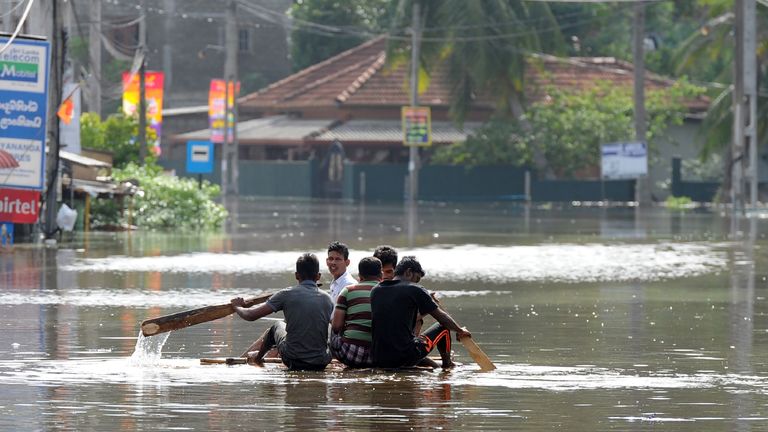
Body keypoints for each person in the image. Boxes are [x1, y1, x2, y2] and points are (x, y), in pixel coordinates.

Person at [230, 253, 333, 371]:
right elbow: (337, 328)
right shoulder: (328, 298)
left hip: (293, 359)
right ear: (318, 276)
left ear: (296, 275)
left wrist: (237, 307)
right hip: (321, 362)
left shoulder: (286, 294)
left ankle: (258, 358)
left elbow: (251, 315)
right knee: (331, 329)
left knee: (277, 325)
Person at [370, 256, 471, 369]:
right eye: (416, 279)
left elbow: (398, 319)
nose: (416, 283)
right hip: (404, 355)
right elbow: (442, 318)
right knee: (443, 327)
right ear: (408, 272)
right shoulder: (415, 289)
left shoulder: (376, 290)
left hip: (378, 358)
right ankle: (447, 364)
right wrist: (459, 330)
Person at [330, 256, 382, 368]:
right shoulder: (388, 292)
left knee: (332, 326)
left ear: (360, 276)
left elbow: (336, 326)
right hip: (379, 355)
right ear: (381, 275)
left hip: (350, 354)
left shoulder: (348, 290)